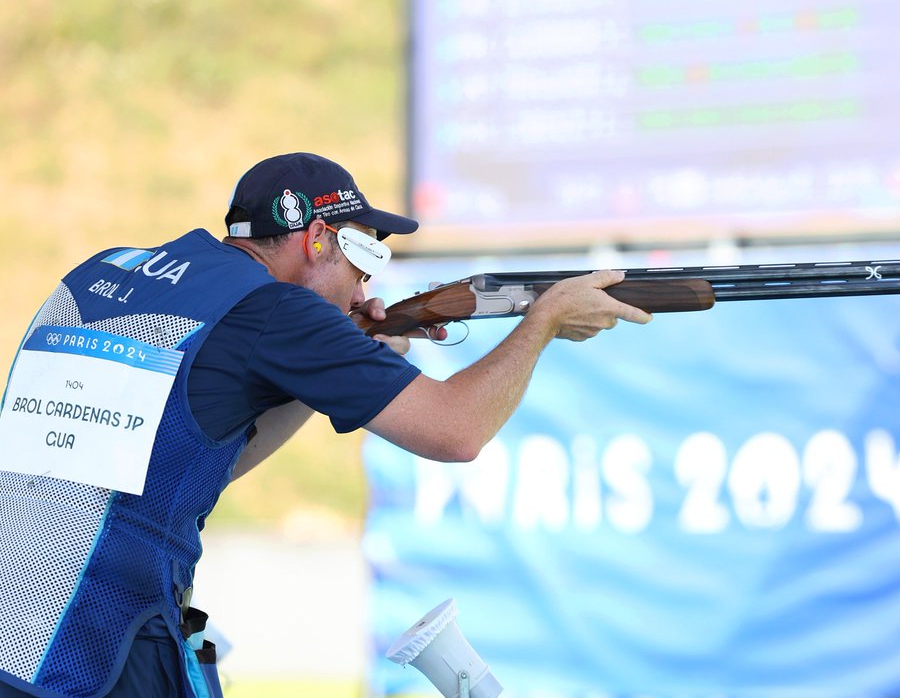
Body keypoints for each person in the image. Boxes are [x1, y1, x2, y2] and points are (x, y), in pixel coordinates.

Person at [0, 152, 652, 698]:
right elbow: (457, 431)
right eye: (362, 258)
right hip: (98, 644)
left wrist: (323, 373)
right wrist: (543, 323)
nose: (363, 287)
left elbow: (186, 459)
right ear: (317, 240)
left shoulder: (106, 270)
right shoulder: (275, 310)